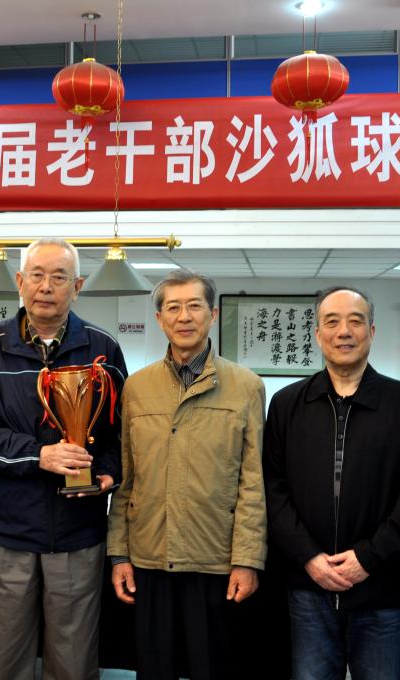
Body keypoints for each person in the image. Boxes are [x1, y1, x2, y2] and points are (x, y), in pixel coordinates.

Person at [0, 238, 127, 680]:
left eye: (59, 277)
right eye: (36, 275)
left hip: (78, 532)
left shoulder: (103, 348)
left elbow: (121, 431)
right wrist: (39, 455)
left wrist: (108, 471)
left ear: (77, 286)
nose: (46, 287)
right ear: (20, 281)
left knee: (74, 660)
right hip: (8, 533)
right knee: (8, 658)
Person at [262, 286, 400, 680]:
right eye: (332, 322)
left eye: (355, 321)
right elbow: (273, 489)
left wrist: (368, 558)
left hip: (381, 588)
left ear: (372, 332)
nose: (344, 331)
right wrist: (309, 556)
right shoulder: (288, 404)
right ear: (317, 334)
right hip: (308, 588)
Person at [107, 269, 266, 680]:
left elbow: (252, 483)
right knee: (153, 669)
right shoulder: (137, 388)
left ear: (212, 314)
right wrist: (119, 554)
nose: (184, 316)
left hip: (214, 560)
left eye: (194, 306)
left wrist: (247, 560)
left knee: (212, 668)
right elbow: (127, 479)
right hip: (149, 557)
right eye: (173, 307)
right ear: (159, 319)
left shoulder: (245, 387)